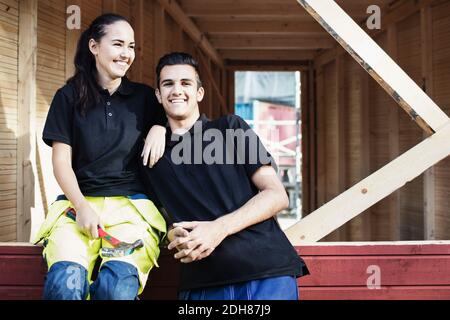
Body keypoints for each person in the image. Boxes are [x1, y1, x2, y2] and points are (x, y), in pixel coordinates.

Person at [142, 52, 309, 300]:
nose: (177, 90)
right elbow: (158, 218)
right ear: (158, 95)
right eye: (168, 84)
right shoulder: (150, 156)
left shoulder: (231, 128)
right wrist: (170, 235)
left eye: (185, 83)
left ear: (199, 93)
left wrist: (218, 228)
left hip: (264, 273)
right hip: (202, 283)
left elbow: (277, 195)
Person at [32, 14, 167, 300]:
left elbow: (182, 116)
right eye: (118, 44)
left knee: (116, 290)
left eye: (131, 46)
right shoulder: (67, 97)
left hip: (132, 212)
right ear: (94, 46)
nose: (126, 54)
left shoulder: (145, 98)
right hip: (76, 207)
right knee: (64, 287)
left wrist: (160, 126)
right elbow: (60, 163)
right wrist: (81, 207)